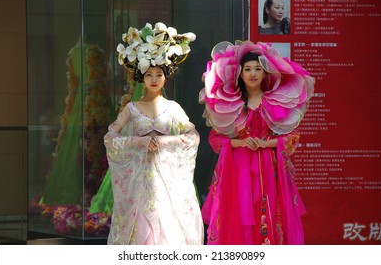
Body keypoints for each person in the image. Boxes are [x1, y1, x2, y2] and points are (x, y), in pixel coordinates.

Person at [199, 41, 315, 245]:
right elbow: (215, 139)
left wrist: (266, 144)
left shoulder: (276, 102)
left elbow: (291, 137)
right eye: (248, 69)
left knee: (269, 210)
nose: (253, 73)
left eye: (258, 69)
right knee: (240, 212)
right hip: (238, 169)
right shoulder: (231, 105)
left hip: (269, 169)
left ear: (265, 73)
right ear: (240, 74)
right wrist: (241, 143)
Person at [104, 22, 204, 245]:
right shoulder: (131, 108)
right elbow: (110, 137)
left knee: (168, 224)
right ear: (141, 77)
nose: (154, 79)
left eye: (159, 74)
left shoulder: (174, 108)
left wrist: (164, 142)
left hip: (167, 180)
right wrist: (138, 143)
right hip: (139, 180)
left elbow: (193, 136)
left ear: (166, 76)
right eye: (149, 74)